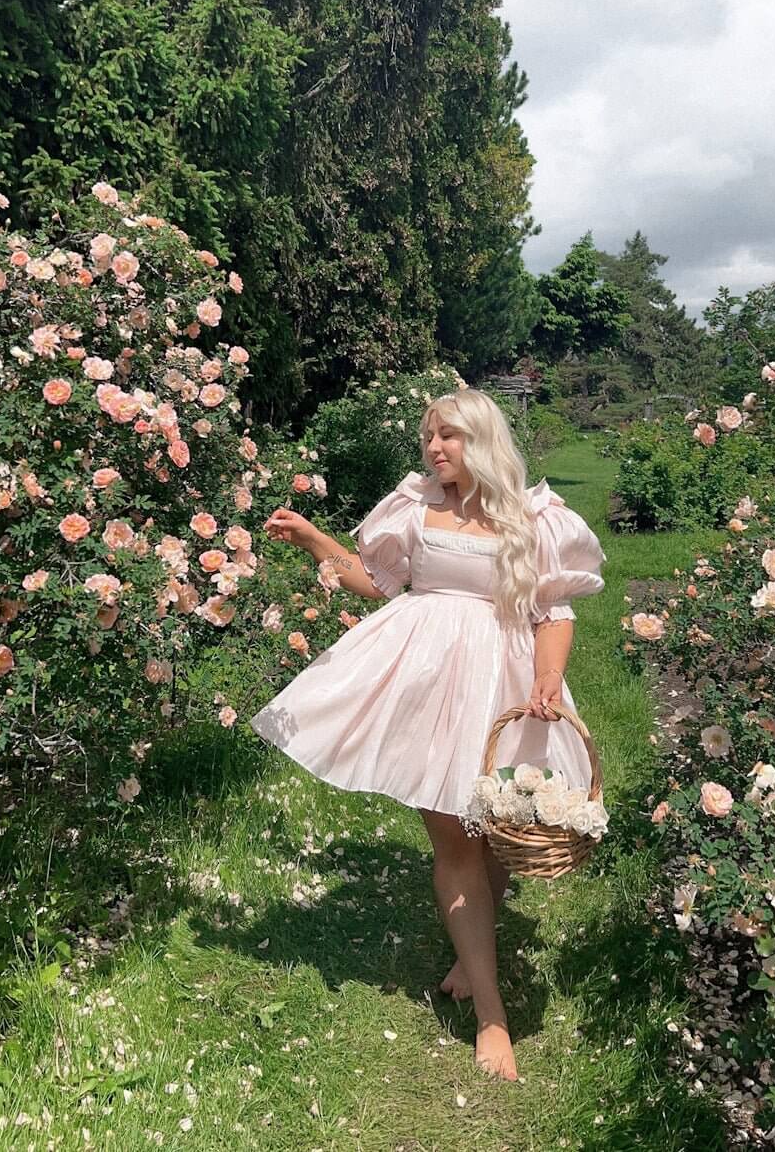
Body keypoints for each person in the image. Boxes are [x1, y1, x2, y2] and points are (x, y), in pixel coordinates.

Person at [251, 389, 605, 1081]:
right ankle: (492, 1017)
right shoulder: (414, 508)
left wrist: (546, 679)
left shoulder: (534, 519)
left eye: (449, 436)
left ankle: (470, 958)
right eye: (428, 436)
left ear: (482, 440)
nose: (435, 448)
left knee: (498, 821)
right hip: (422, 682)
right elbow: (379, 583)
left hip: (501, 681)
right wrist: (315, 541)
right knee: (453, 835)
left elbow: (551, 609)